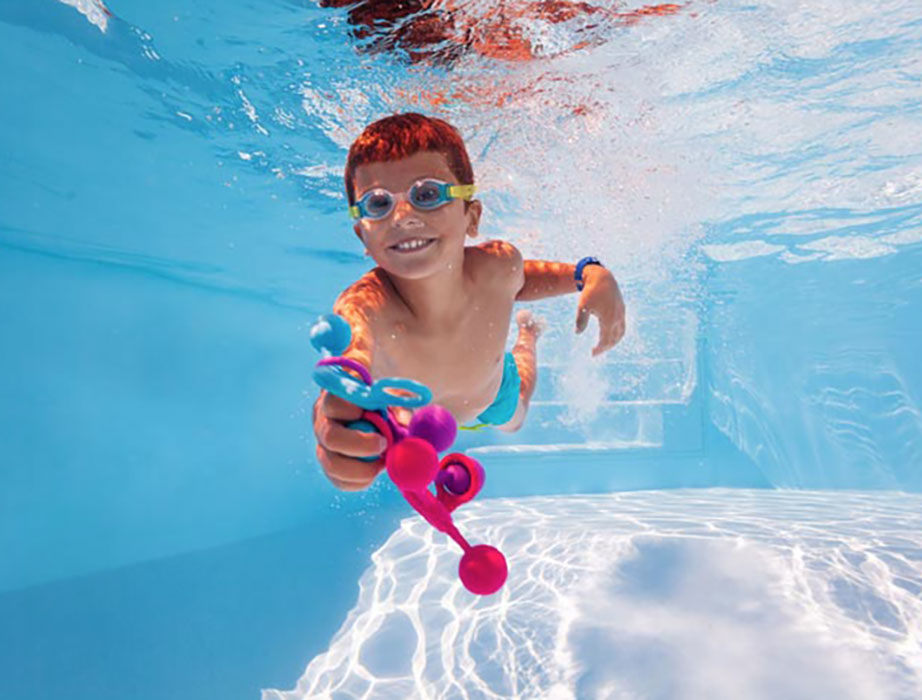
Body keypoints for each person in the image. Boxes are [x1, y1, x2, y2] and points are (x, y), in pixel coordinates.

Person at [312, 113, 625, 491]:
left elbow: (524, 279)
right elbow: (349, 368)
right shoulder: (364, 305)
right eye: (378, 204)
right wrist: (330, 424)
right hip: (414, 429)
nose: (404, 217)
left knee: (517, 416)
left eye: (426, 195)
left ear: (471, 216)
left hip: (491, 396)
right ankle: (526, 332)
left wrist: (590, 273)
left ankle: (527, 336)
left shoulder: (497, 264)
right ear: (363, 234)